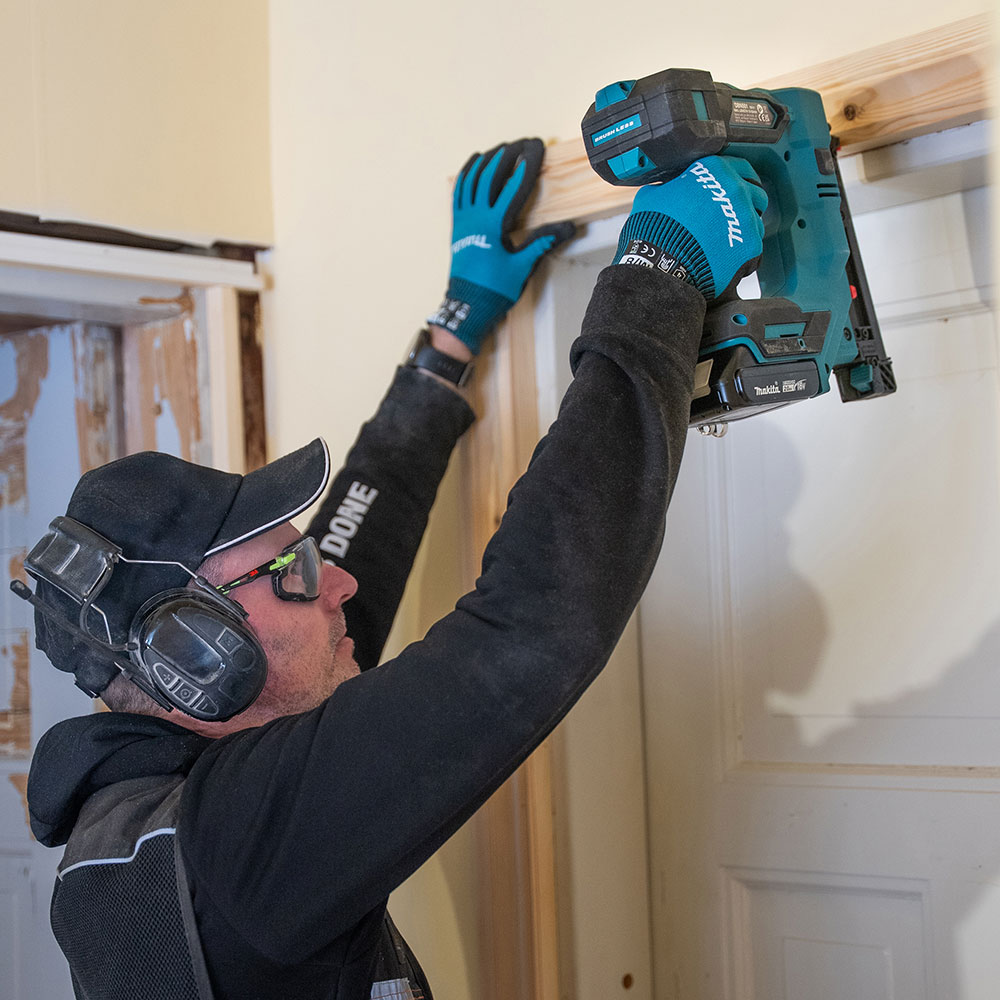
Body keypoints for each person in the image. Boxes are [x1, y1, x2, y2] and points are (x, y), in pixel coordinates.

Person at [19, 139, 766, 999]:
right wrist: (658, 275)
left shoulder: (147, 814)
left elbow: (345, 570)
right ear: (196, 654)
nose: (338, 584)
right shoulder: (238, 844)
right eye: (293, 572)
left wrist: (452, 331)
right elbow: (532, 625)